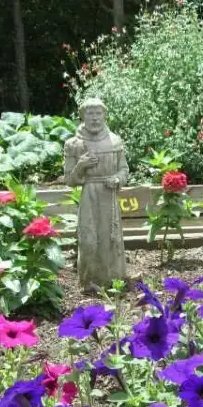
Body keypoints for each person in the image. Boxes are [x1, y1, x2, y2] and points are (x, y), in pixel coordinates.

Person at [63, 98, 129, 289]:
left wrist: (117, 179)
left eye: (98, 114)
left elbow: (124, 170)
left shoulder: (115, 141)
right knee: (89, 239)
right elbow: (69, 180)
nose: (94, 118)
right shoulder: (73, 144)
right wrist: (81, 166)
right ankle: (89, 281)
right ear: (82, 117)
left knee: (111, 238)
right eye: (90, 114)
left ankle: (114, 282)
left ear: (104, 116)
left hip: (109, 195)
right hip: (89, 196)